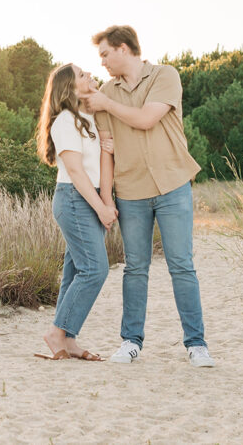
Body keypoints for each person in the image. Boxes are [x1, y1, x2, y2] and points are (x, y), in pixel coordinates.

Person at [84, 25, 215, 367]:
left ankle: (196, 344)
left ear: (124, 48)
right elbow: (106, 153)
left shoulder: (164, 76)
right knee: (135, 268)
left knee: (182, 266)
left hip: (173, 185)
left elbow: (146, 119)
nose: (102, 64)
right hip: (130, 192)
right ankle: (130, 342)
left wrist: (106, 104)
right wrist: (107, 198)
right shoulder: (104, 95)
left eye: (105, 55)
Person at [34, 63, 117, 361]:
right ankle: (57, 332)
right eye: (82, 75)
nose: (90, 75)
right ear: (69, 87)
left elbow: (97, 166)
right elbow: (75, 171)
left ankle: (67, 340)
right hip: (74, 198)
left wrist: (106, 200)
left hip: (88, 196)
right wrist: (101, 209)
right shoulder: (65, 121)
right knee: (95, 269)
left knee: (74, 271)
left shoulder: (87, 118)